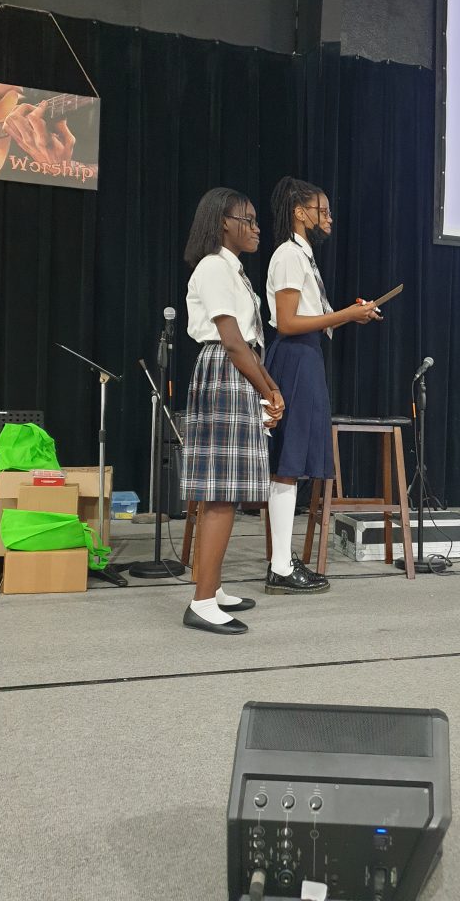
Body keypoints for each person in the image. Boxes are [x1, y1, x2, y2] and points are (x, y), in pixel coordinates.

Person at [264, 176, 380, 595]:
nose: (328, 217)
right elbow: (290, 321)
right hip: (295, 355)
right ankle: (279, 565)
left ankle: (281, 558)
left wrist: (352, 314)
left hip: (307, 356)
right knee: (288, 463)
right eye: (322, 209)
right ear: (299, 212)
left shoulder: (304, 257)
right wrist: (347, 315)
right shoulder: (289, 256)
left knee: (293, 464)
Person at [181, 187, 284, 634]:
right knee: (220, 492)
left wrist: (270, 387)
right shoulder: (213, 266)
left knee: (228, 490)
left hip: (239, 370)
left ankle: (213, 586)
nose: (257, 227)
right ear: (224, 222)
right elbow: (231, 339)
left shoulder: (234, 270)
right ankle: (202, 603)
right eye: (249, 219)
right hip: (226, 371)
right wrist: (266, 386)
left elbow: (248, 340)